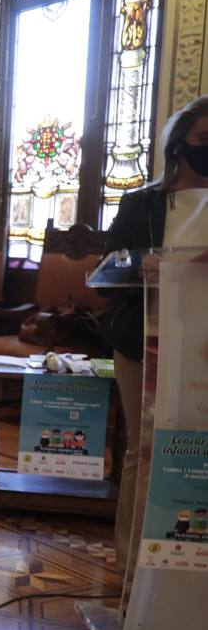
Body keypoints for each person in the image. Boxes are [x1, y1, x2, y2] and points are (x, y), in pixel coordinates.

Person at [103, 95, 208, 576]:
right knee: (143, 449)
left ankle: (187, 567)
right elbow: (108, 270)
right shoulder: (142, 203)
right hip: (145, 341)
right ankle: (132, 569)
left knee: (194, 451)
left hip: (201, 345)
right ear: (180, 145)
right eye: (205, 141)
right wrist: (140, 264)